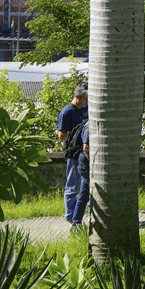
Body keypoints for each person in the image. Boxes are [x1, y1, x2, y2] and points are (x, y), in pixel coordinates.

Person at [57, 82, 88, 225]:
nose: (86, 102)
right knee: (72, 186)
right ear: (77, 97)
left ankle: (84, 213)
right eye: (85, 99)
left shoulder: (87, 108)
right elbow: (61, 135)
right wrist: (75, 135)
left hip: (85, 154)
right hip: (73, 154)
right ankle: (70, 216)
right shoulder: (66, 112)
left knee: (85, 185)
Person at [71, 120, 90, 227]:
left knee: (85, 194)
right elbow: (86, 148)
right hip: (86, 164)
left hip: (86, 163)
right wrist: (94, 163)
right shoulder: (89, 126)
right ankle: (76, 223)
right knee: (85, 194)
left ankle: (76, 222)